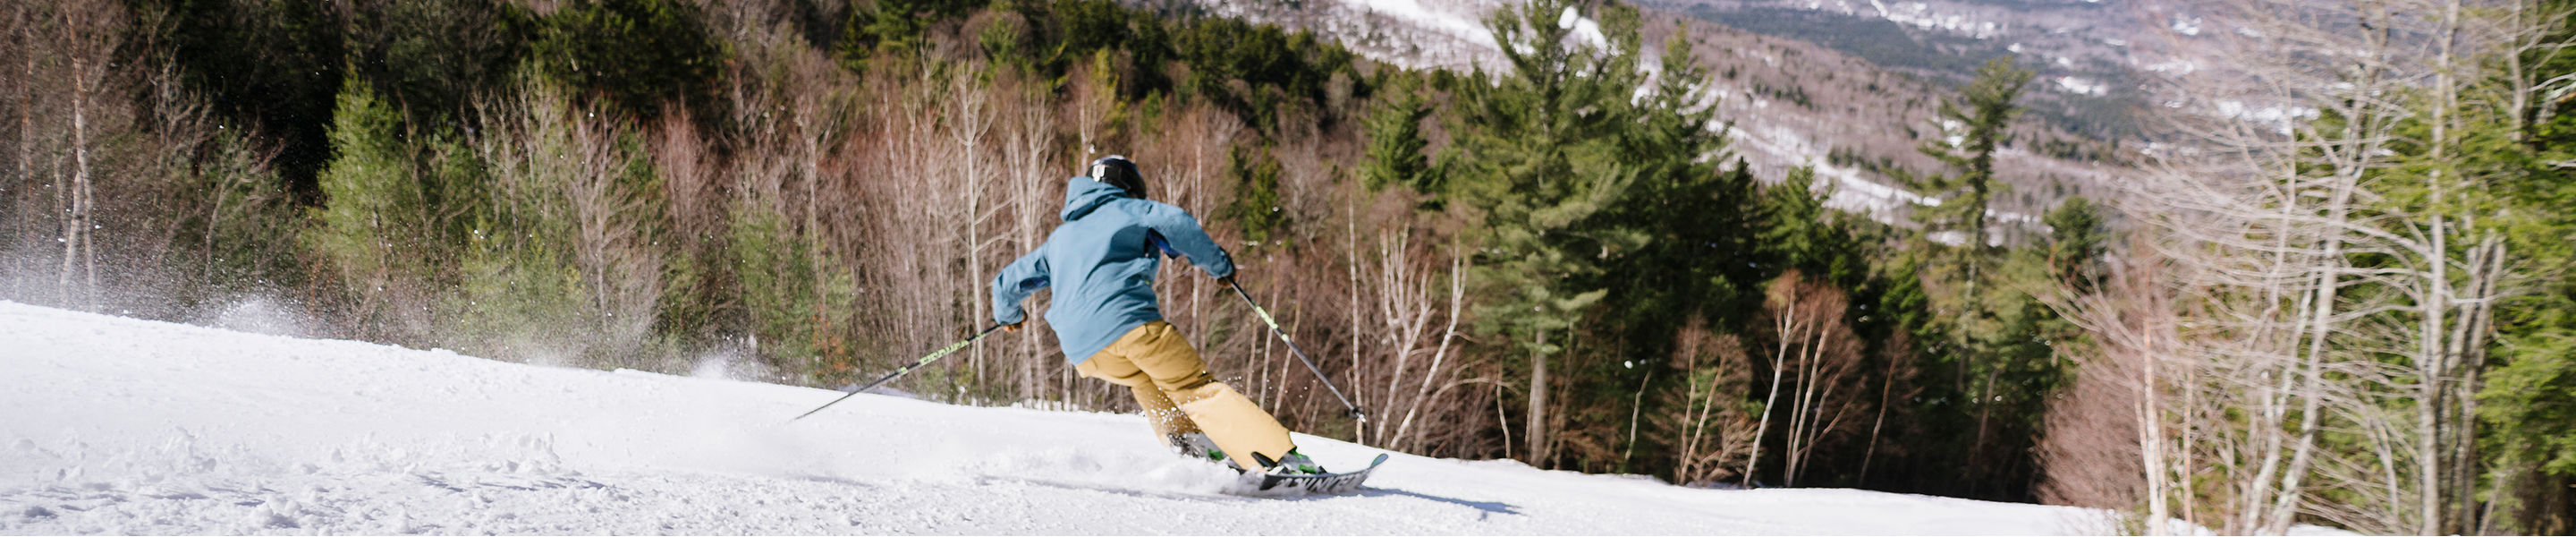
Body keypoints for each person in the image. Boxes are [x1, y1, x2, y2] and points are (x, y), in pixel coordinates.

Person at [990, 155, 1325, 475]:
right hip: (1130, 324)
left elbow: (1006, 283)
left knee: (1145, 378)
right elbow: (1176, 222)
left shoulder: (1059, 239)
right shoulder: (1131, 210)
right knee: (1194, 387)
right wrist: (1220, 266)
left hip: (1084, 350)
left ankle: (1192, 446)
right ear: (1130, 184)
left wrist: (1010, 317)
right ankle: (1278, 457)